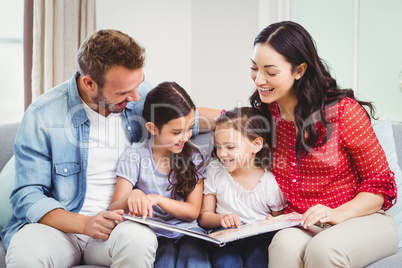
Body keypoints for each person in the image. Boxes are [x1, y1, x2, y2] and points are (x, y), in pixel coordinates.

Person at [0, 29, 216, 267]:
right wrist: (85, 224)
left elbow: (180, 121)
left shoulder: (137, 95)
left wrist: (240, 120)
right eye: (123, 93)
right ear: (90, 83)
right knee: (25, 253)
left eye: (139, 85)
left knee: (139, 240)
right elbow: (27, 196)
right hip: (60, 230)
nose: (136, 97)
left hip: (119, 226)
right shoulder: (43, 115)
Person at [248, 21, 398, 267]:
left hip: (362, 218)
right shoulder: (267, 114)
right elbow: (229, 122)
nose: (259, 80)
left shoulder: (343, 112)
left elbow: (380, 186)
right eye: (254, 68)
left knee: (324, 249)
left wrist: (337, 214)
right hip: (305, 222)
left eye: (270, 72)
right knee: (282, 243)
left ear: (299, 70)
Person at [109, 81, 211, 268]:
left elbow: (192, 211)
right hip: (153, 235)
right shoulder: (135, 156)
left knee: (194, 255)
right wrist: (134, 195)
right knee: (165, 256)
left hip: (188, 233)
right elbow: (113, 209)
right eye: (177, 132)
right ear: (152, 128)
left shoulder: (195, 157)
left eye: (190, 128)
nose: (185, 137)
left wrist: (157, 199)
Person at [198, 107, 287, 268]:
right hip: (226, 236)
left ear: (256, 145)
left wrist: (272, 222)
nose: (222, 153)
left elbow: (279, 222)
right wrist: (222, 218)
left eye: (230, 147)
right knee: (226, 262)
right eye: (218, 146)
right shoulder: (215, 170)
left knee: (259, 258)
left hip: (259, 237)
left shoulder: (270, 183)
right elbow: (204, 218)